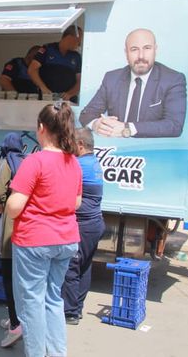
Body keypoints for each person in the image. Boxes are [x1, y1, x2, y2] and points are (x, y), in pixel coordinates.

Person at [6, 102, 82, 357]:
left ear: (41, 128)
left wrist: (10, 199)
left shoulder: (34, 162)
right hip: (66, 238)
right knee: (53, 299)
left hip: (35, 240)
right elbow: (76, 202)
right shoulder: (74, 162)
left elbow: (14, 207)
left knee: (31, 304)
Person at [79, 28, 187, 138]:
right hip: (117, 151)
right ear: (126, 53)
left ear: (155, 50)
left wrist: (127, 128)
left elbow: (174, 126)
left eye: (147, 48)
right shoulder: (112, 78)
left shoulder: (173, 79)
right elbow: (86, 114)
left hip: (152, 151)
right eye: (134, 49)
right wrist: (96, 124)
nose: (141, 56)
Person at [61, 128, 105, 325]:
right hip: (95, 223)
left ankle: (69, 312)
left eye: (72, 143)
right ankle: (77, 308)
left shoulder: (78, 165)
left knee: (72, 267)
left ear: (80, 145)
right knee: (84, 266)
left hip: (83, 225)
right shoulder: (94, 163)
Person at [0, 132, 27, 348]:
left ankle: (15, 324)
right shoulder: (27, 161)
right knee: (24, 280)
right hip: (30, 228)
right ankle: (18, 319)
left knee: (9, 276)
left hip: (11, 228)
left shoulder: (7, 162)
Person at [28, 26, 82, 102]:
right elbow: (32, 70)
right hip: (47, 99)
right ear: (70, 38)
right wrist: (43, 88)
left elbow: (80, 81)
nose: (79, 45)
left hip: (67, 101)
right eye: (78, 41)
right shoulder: (47, 49)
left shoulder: (76, 56)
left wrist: (70, 94)